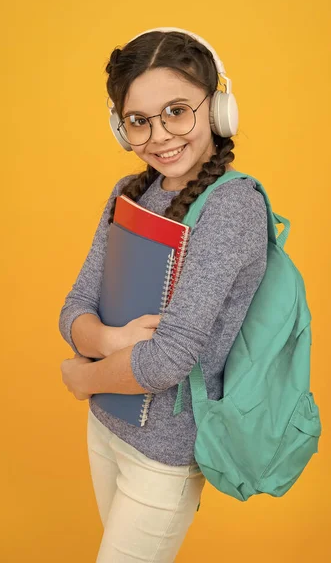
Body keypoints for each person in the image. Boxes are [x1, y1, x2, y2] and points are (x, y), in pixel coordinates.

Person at [58, 29, 268, 562]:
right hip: (106, 427)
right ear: (119, 126)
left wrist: (84, 374)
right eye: (138, 121)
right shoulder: (128, 194)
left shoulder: (232, 207)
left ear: (217, 109)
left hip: (164, 455)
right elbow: (74, 307)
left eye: (177, 111)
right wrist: (109, 338)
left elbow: (168, 360)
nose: (160, 135)